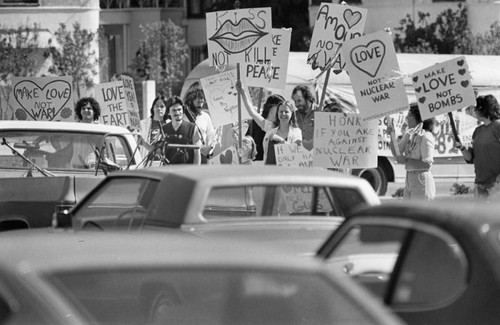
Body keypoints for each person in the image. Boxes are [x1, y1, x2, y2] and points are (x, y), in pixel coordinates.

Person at [454, 94, 500, 200]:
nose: (474, 111)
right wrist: (461, 147)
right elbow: (471, 158)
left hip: (496, 187)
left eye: (476, 108)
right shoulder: (477, 131)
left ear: (484, 109)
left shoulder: (498, 126)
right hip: (479, 186)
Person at [388, 103, 437, 200]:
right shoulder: (408, 135)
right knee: (407, 212)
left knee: (419, 213)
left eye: (410, 115)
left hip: (421, 179)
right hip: (409, 177)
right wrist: (392, 135)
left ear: (419, 117)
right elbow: (397, 153)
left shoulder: (426, 136)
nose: (406, 118)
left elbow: (427, 164)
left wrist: (406, 160)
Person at [236, 81, 285, 161]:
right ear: (271, 106)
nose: (282, 111)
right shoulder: (268, 125)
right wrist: (242, 91)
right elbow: (251, 112)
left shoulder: (281, 125)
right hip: (258, 163)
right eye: (279, 107)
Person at [160, 96, 202, 165]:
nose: (177, 112)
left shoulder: (192, 128)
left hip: (186, 172)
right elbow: (157, 151)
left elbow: (197, 152)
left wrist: (196, 171)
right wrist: (143, 143)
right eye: (174, 110)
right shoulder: (163, 129)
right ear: (168, 112)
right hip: (168, 172)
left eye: (179, 109)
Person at [183, 82, 215, 163]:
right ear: (190, 101)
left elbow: (211, 137)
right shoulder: (182, 117)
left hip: (202, 157)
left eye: (202, 102)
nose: (200, 106)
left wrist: (209, 149)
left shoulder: (206, 117)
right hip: (185, 157)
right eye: (198, 102)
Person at [262, 101, 302, 165]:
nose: (283, 114)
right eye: (281, 111)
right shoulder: (270, 133)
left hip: (286, 172)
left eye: (286, 112)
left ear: (291, 114)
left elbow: (295, 153)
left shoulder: (296, 132)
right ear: (277, 113)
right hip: (269, 172)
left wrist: (281, 140)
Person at [291, 85, 321, 151]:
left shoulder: (321, 112)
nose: (296, 105)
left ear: (308, 98)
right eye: (295, 101)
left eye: (299, 100)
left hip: (317, 153)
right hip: (299, 155)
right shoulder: (294, 115)